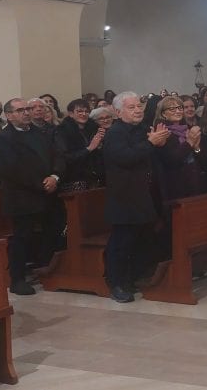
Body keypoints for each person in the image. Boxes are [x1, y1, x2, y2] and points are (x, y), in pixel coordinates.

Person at [0, 98, 66, 295]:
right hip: (22, 196)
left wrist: (55, 176)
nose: (26, 113)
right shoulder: (4, 139)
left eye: (27, 109)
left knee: (52, 231)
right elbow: (12, 169)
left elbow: (58, 155)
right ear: (9, 115)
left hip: (49, 192)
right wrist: (42, 184)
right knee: (22, 238)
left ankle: (47, 268)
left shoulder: (40, 133)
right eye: (20, 110)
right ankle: (17, 279)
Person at [103, 91, 169, 303]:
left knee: (139, 240)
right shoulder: (115, 133)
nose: (137, 110)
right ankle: (115, 283)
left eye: (139, 106)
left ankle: (130, 279)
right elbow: (125, 157)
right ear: (118, 112)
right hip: (124, 195)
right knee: (121, 242)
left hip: (143, 194)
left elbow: (149, 155)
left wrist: (158, 144)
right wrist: (151, 143)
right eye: (131, 107)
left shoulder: (142, 129)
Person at [55, 98, 105, 192]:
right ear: (71, 113)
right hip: (73, 178)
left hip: (94, 176)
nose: (84, 114)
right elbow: (65, 157)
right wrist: (89, 149)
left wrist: (100, 145)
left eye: (86, 111)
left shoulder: (94, 128)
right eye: (79, 111)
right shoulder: (62, 131)